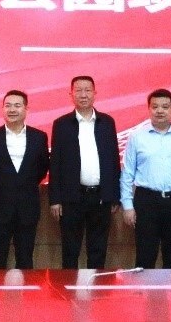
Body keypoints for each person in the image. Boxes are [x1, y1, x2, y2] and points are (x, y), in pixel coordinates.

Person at [120, 89, 171, 269]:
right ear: (149, 109)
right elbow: (127, 174)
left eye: (165, 107)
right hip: (146, 201)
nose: (160, 111)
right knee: (145, 257)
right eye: (155, 107)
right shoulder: (137, 137)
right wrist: (128, 206)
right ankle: (143, 288)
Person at [48, 76, 121, 269]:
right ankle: (69, 286)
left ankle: (96, 285)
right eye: (78, 90)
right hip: (72, 197)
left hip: (100, 196)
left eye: (87, 90)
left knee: (98, 249)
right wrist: (55, 199)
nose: (83, 94)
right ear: (71, 94)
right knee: (70, 250)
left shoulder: (107, 122)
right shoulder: (62, 124)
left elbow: (113, 159)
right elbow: (55, 163)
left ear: (95, 93)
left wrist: (114, 195)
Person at [0, 89, 50, 269]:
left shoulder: (39, 137)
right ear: (2, 109)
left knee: (25, 260)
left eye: (17, 105)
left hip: (27, 208)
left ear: (26, 109)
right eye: (8, 105)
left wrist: (24, 183)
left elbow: (43, 167)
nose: (12, 109)